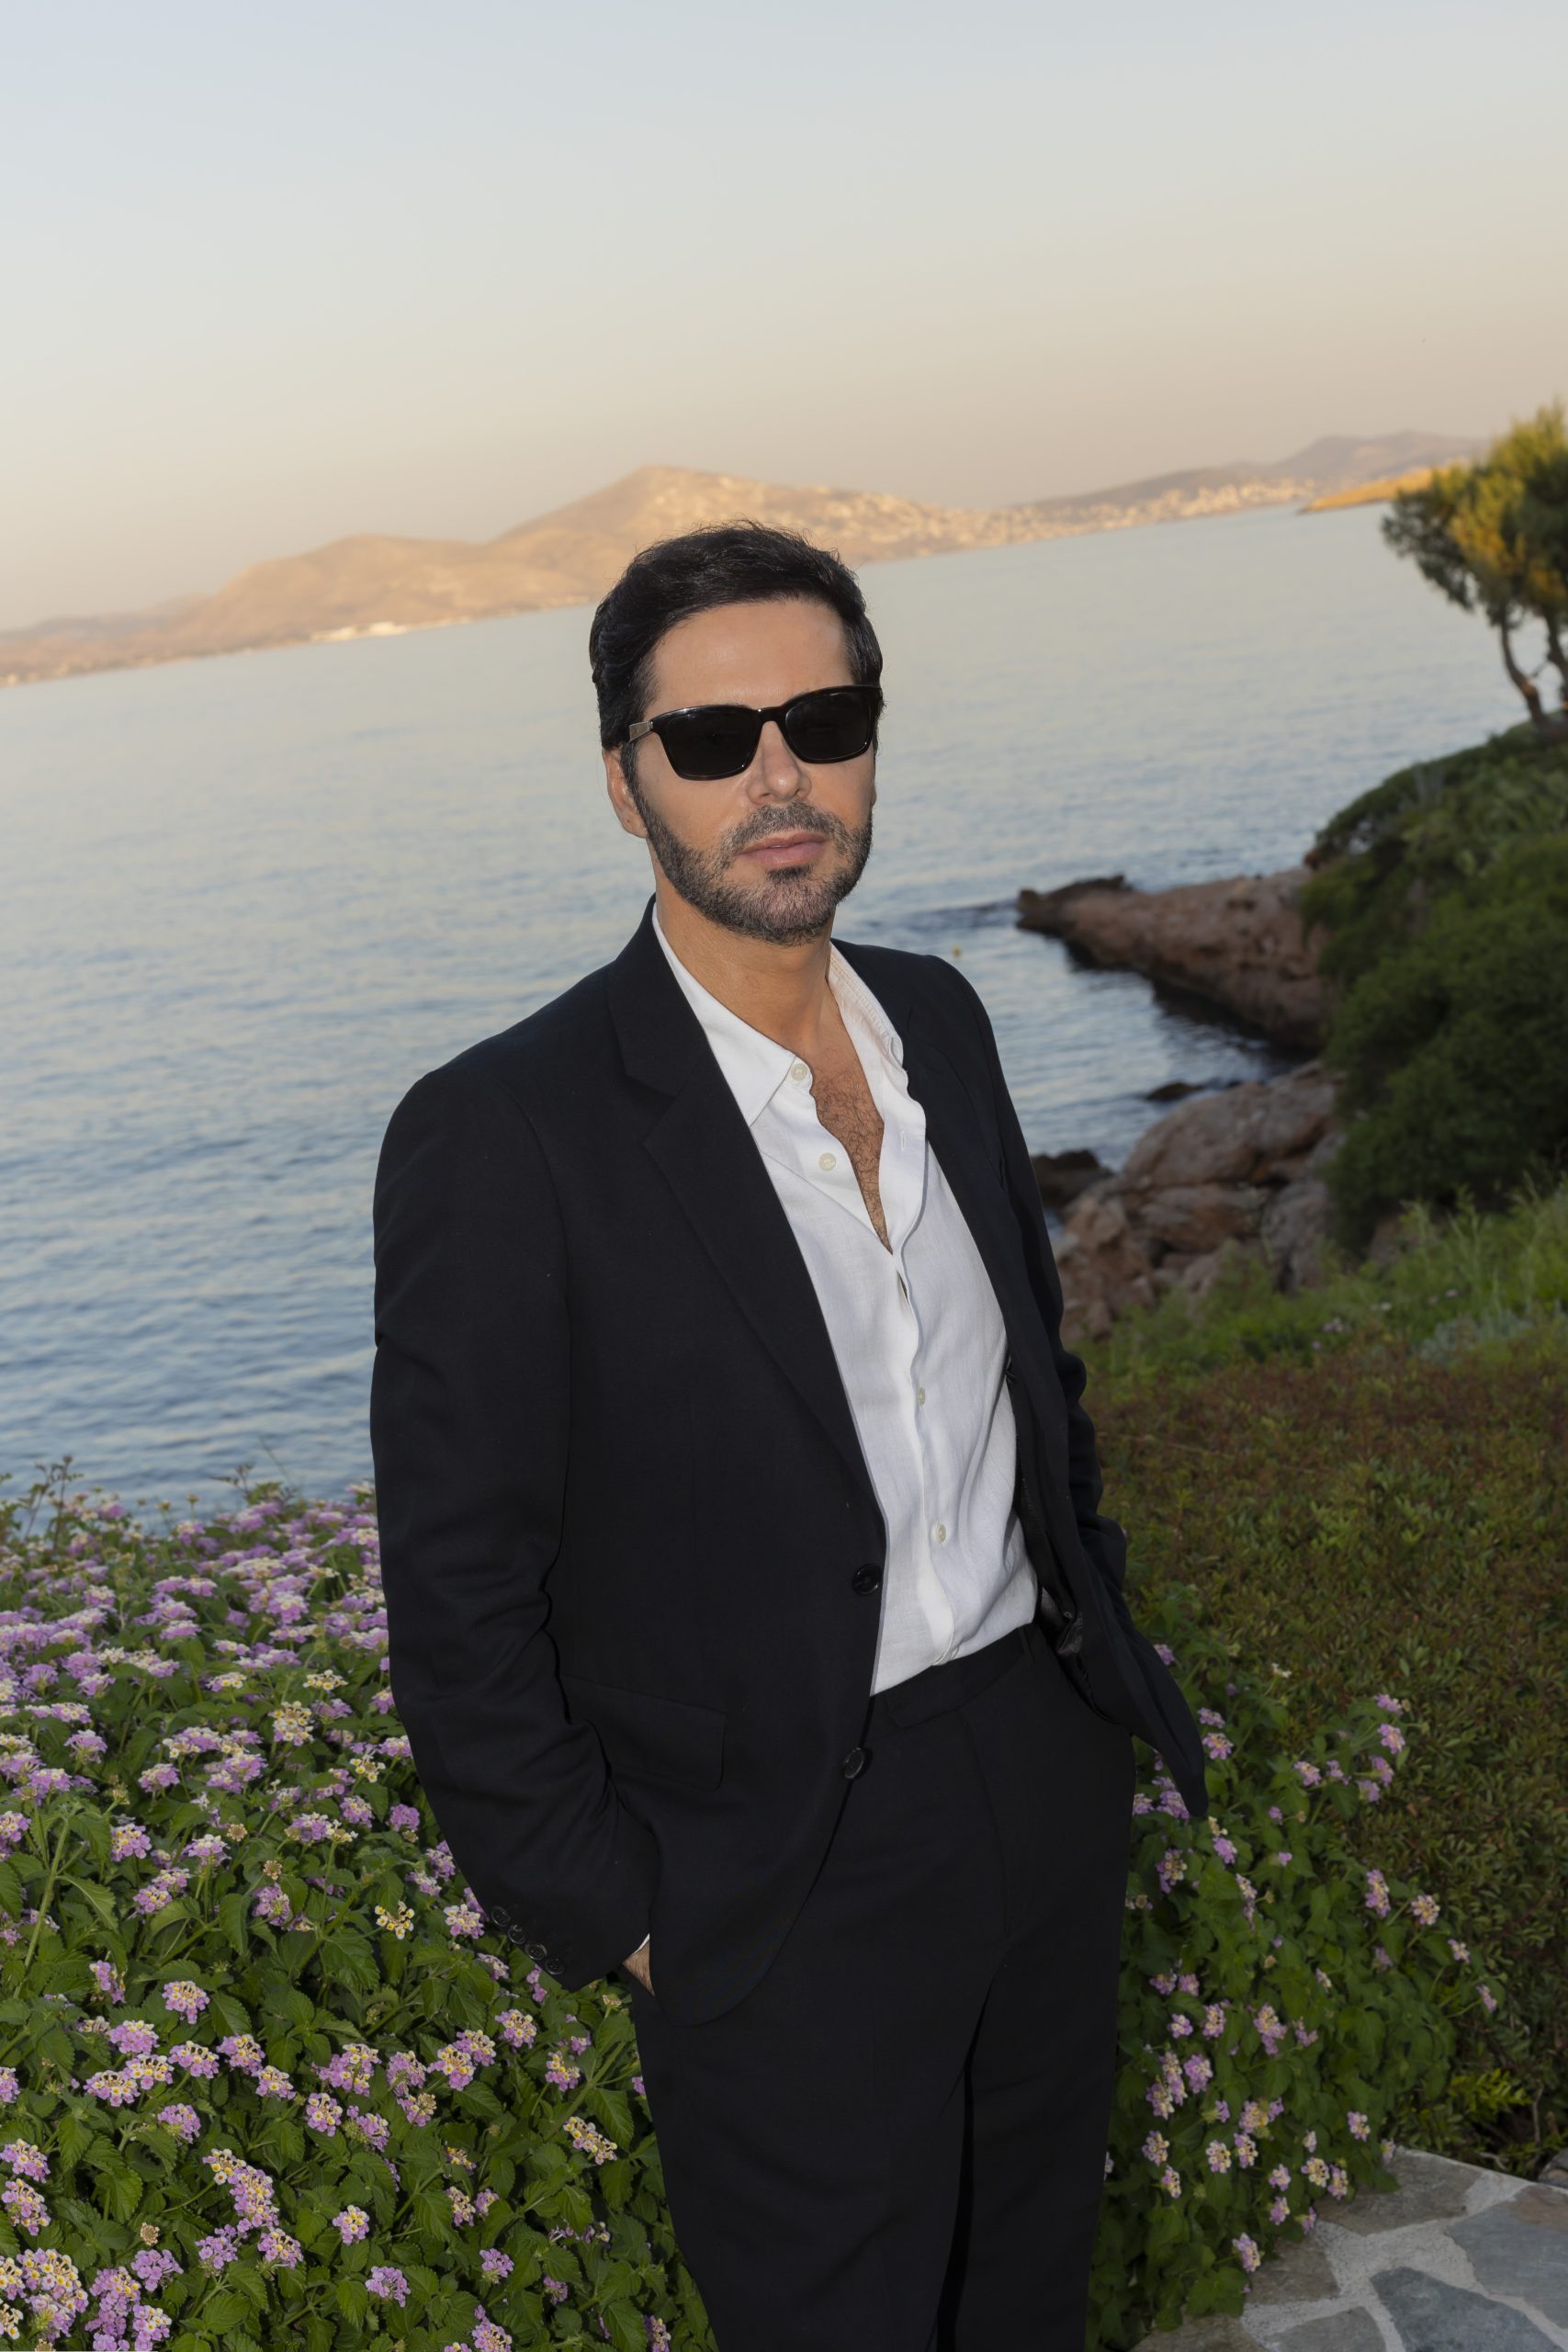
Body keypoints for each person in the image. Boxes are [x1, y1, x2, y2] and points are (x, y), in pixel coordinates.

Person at [370, 522, 1208, 2350]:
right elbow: (456, 1589)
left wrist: (1089, 1677)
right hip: (773, 1864)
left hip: (1034, 1775)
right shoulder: (504, 1132)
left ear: (870, 744)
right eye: (710, 737)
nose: (778, 778)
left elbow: (1033, 1384)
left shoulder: (942, 1020)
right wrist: (627, 1912)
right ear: (626, 783)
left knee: (1026, 2299)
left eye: (822, 721)